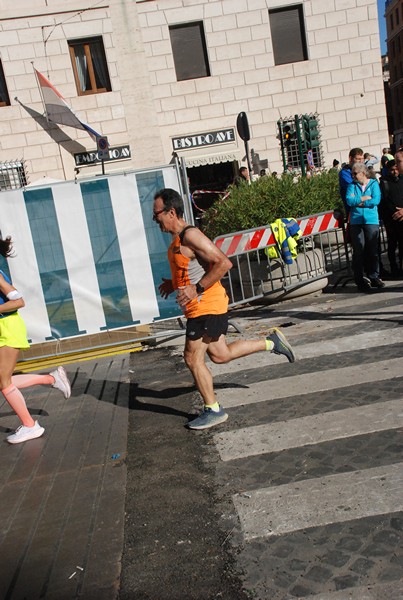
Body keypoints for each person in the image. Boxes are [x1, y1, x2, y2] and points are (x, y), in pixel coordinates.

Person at [153, 188, 295, 430]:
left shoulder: (191, 236)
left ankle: (214, 409)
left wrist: (196, 289)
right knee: (220, 355)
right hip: (202, 307)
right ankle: (271, 343)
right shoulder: (178, 240)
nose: (155, 220)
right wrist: (173, 283)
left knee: (191, 357)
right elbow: (189, 268)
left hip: (206, 306)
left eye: (157, 214)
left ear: (171, 212)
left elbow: (223, 263)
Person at [0, 236, 71, 444]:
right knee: (4, 380)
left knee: (4, 382)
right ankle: (52, 379)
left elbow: (18, 301)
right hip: (4, 328)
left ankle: (30, 426)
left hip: (8, 328)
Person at [345, 163, 384, 292]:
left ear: (363, 173)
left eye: (355, 173)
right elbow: (349, 201)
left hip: (371, 220)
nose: (353, 176)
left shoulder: (373, 184)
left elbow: (376, 200)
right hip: (356, 222)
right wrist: (363, 198)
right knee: (358, 250)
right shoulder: (351, 185)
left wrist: (360, 202)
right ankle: (359, 279)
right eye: (352, 174)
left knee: (372, 249)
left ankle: (374, 276)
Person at [379, 154, 403, 276]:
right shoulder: (384, 183)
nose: (395, 172)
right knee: (392, 244)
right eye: (392, 170)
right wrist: (394, 211)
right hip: (391, 219)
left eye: (396, 169)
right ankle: (394, 267)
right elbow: (384, 200)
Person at [339, 147, 364, 216]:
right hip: (353, 212)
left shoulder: (364, 171)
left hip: (367, 210)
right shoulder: (344, 173)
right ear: (350, 158)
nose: (361, 161)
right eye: (358, 159)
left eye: (362, 159)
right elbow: (356, 188)